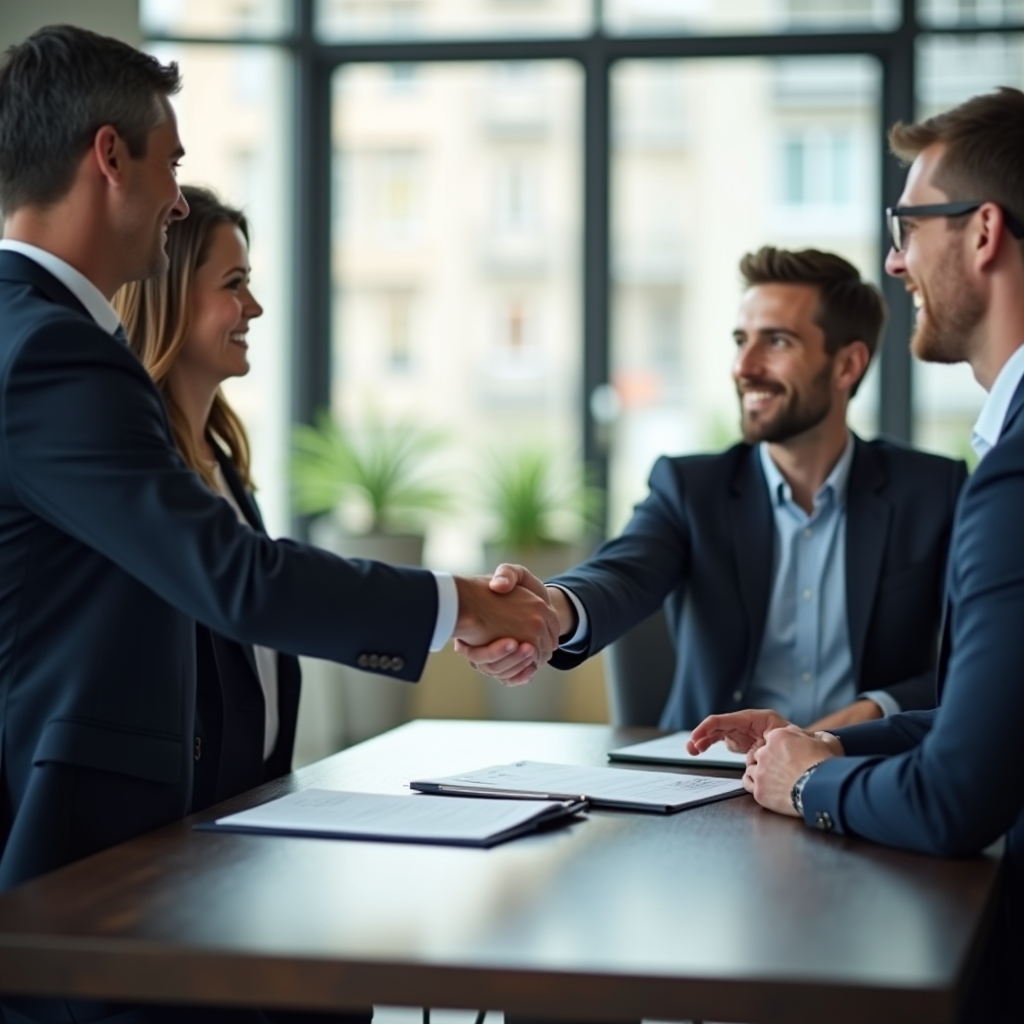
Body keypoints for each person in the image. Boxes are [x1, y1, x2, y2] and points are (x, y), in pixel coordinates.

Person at [0, 26, 558, 1021]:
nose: (177, 199)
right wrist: (459, 604)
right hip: (78, 867)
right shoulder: (50, 350)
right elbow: (231, 575)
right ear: (109, 156)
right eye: (172, 164)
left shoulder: (45, 335)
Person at [688, 86, 1024, 1022]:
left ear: (983, 232)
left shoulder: (1007, 475)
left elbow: (955, 799)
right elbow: (991, 721)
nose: (894, 258)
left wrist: (808, 782)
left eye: (908, 226)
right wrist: (828, 742)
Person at [458, 247, 967, 733]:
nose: (744, 367)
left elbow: (984, 647)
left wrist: (877, 710)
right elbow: (622, 573)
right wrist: (548, 609)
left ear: (847, 365)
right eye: (742, 341)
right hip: (711, 772)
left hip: (862, 769)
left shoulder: (931, 491)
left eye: (777, 342)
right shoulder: (690, 490)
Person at [113, 185, 300, 808]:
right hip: (174, 830)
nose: (255, 307)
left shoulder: (225, 466)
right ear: (171, 296)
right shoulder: (142, 473)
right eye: (234, 284)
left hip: (251, 816)